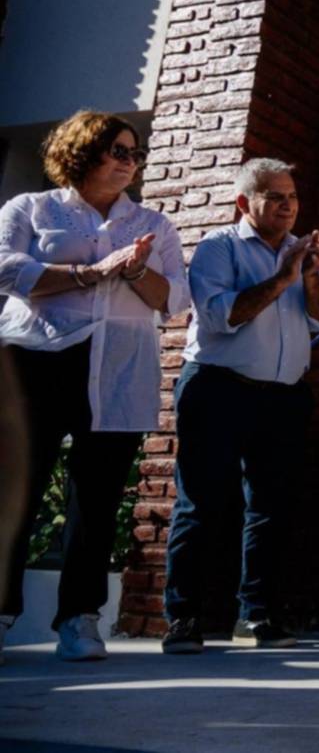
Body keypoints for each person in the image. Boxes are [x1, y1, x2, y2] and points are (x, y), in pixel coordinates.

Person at [0, 110, 188, 661]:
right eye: (119, 151)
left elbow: (176, 300)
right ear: (83, 153)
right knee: (15, 491)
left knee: (99, 496)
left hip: (119, 367)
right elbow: (5, 269)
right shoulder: (33, 208)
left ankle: (79, 618)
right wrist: (91, 272)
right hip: (36, 360)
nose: (131, 162)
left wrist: (134, 270)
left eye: (136, 153)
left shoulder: (153, 224)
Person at [162, 158, 319, 654]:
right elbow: (220, 316)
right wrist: (284, 278)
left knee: (271, 508)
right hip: (219, 388)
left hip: (284, 396)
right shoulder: (219, 247)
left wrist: (311, 277)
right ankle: (183, 619)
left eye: (293, 197)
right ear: (245, 202)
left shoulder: (304, 251)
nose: (288, 206)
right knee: (201, 504)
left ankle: (257, 615)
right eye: (275, 197)